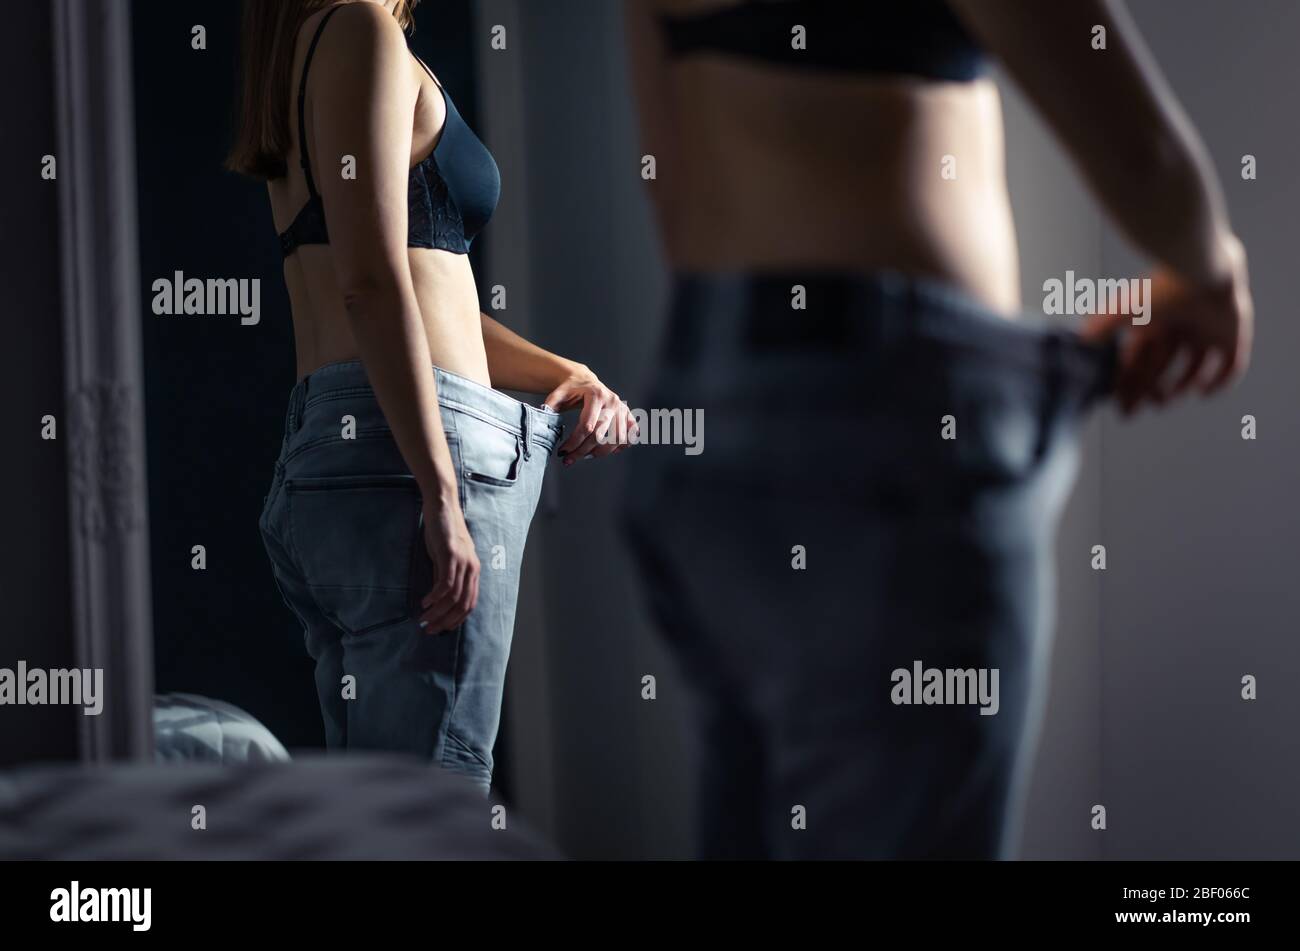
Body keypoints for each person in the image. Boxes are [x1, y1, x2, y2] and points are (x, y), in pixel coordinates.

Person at [621, 0, 1253, 858]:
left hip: (707, 412)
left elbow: (673, 177)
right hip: (880, 439)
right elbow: (1142, 158)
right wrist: (1211, 270)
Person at [227, 0, 635, 793]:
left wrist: (565, 371)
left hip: (335, 452)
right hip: (404, 453)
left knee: (376, 804)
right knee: (433, 797)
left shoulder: (303, 59)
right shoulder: (361, 31)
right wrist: (439, 486)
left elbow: (408, 293)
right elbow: (373, 285)